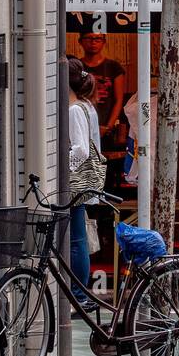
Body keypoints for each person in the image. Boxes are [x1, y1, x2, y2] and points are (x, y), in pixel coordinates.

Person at [68, 58, 102, 305]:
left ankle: (79, 294)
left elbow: (81, 150)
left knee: (77, 239)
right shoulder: (86, 105)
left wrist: (62, 169)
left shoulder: (74, 110)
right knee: (77, 237)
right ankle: (79, 293)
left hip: (75, 182)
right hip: (82, 183)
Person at [78, 29, 126, 164]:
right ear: (80, 42)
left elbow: (118, 99)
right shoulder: (77, 66)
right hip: (81, 125)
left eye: (97, 39)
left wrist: (107, 126)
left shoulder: (114, 67)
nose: (93, 43)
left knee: (105, 166)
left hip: (105, 128)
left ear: (103, 42)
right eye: (89, 38)